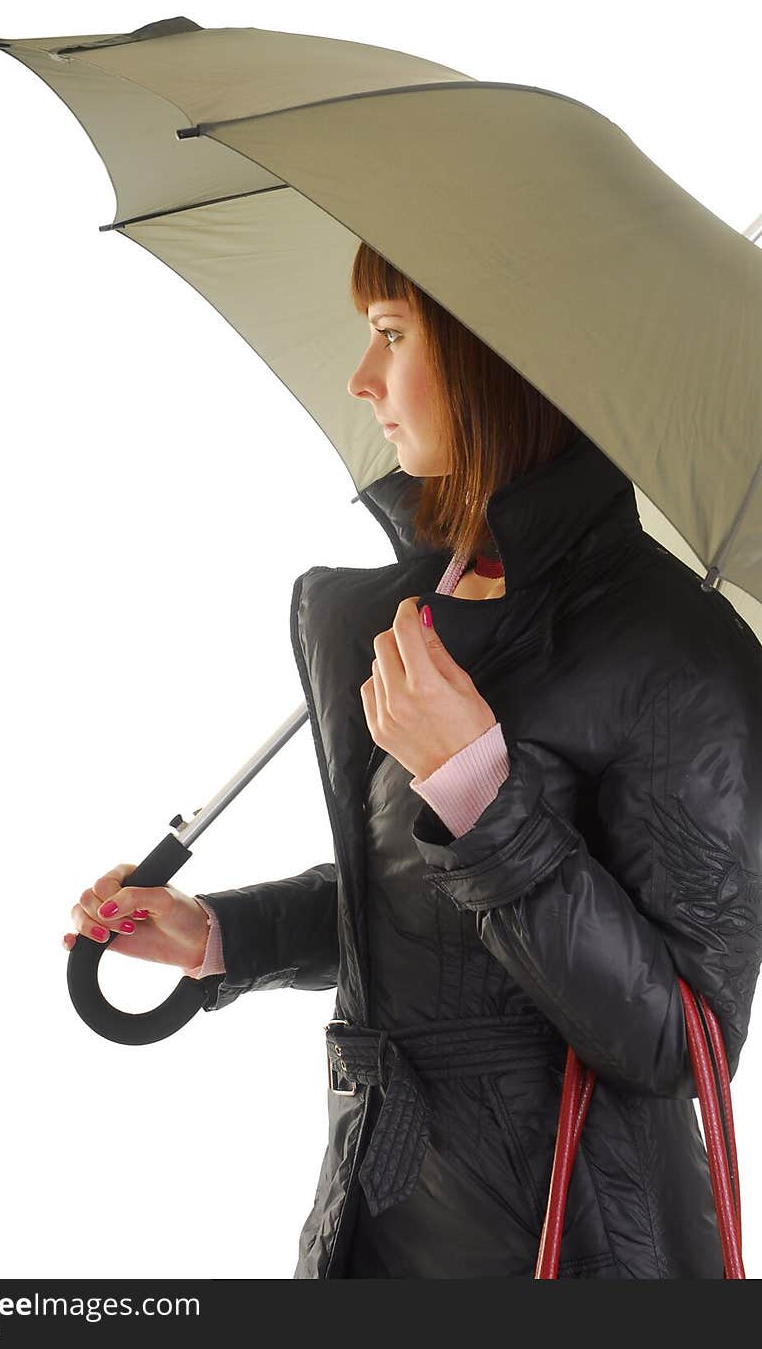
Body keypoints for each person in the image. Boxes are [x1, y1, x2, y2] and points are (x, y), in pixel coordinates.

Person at [64, 242, 762, 1279]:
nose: (361, 378)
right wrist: (222, 934)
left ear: (501, 358)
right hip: (379, 1204)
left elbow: (681, 1034)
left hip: (572, 1244)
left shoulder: (675, 649)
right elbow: (430, 921)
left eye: (392, 334)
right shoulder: (427, 598)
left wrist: (483, 795)